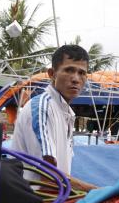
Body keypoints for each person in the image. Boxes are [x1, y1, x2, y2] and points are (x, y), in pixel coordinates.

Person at [10, 44, 94, 189]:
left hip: (52, 198)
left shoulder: (65, 112)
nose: (75, 78)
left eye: (82, 73)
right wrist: (99, 192)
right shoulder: (42, 108)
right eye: (69, 70)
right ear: (52, 73)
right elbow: (48, 177)